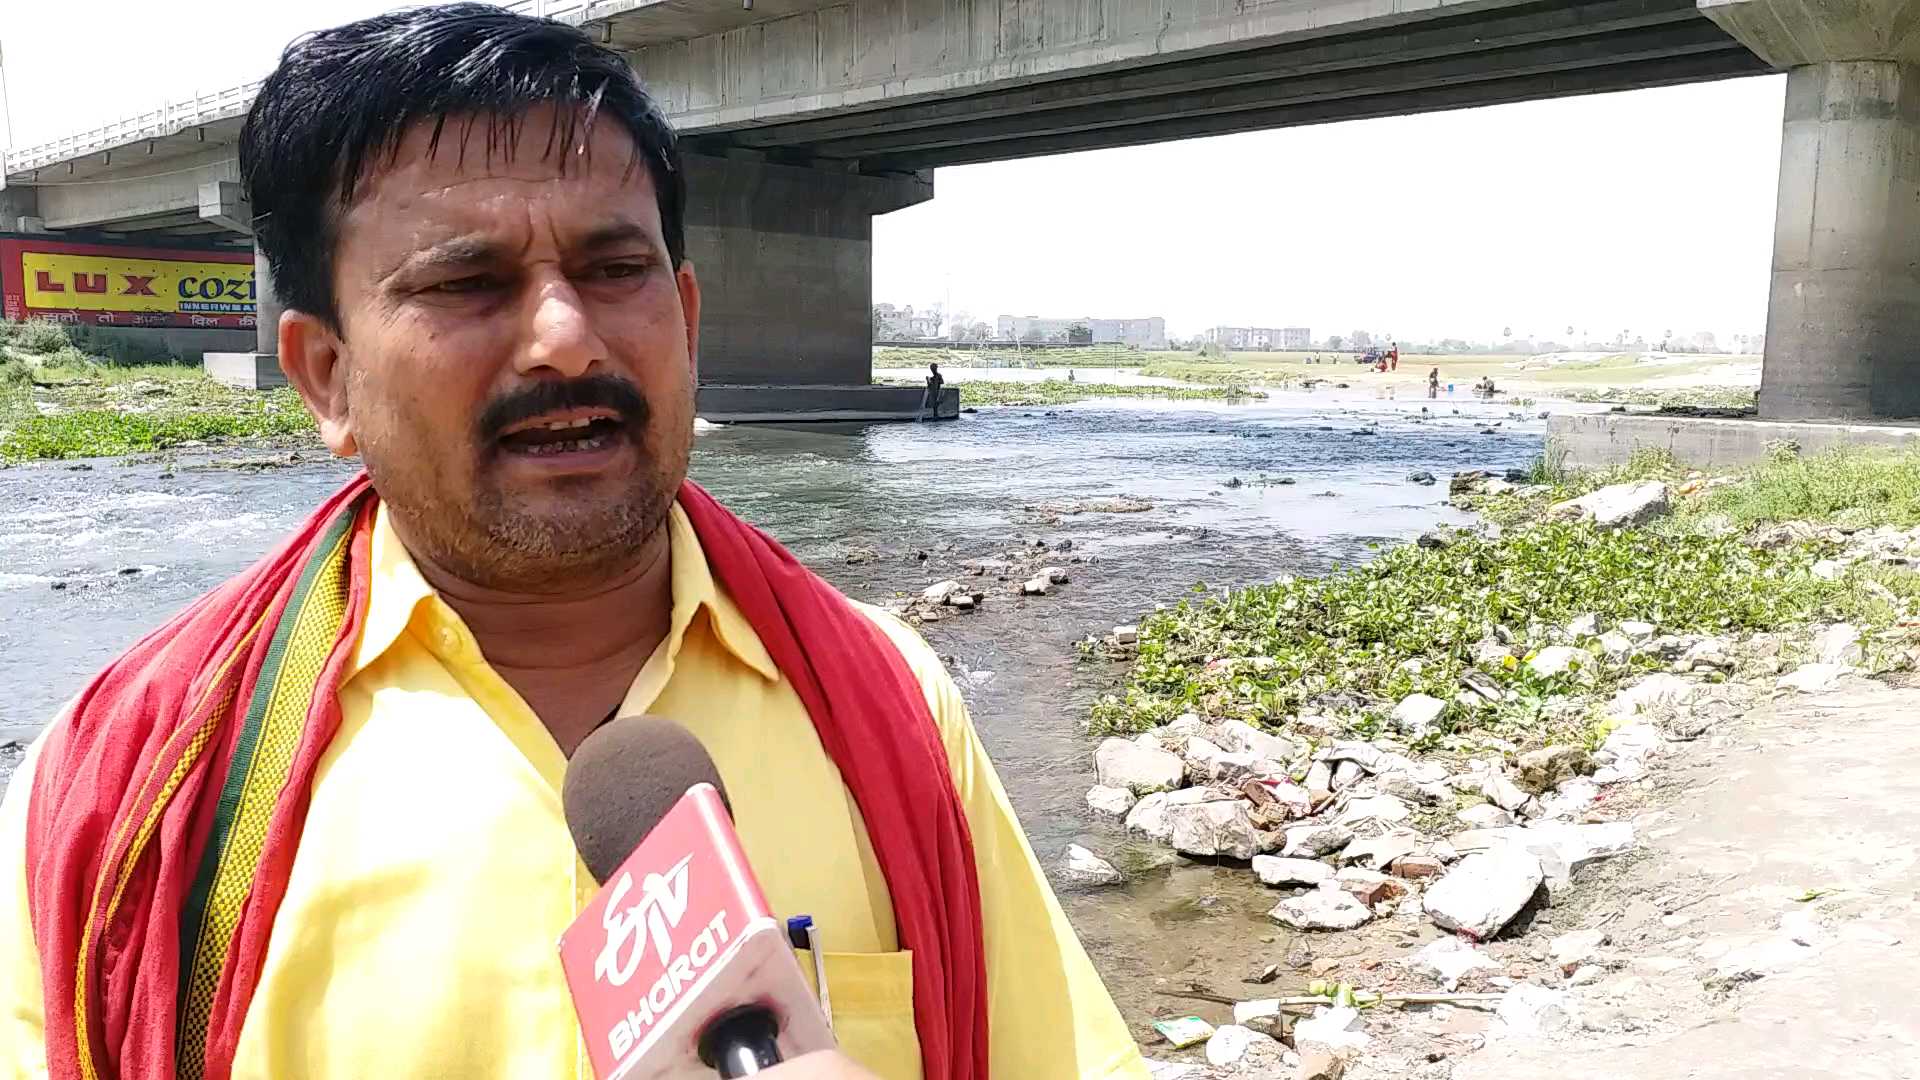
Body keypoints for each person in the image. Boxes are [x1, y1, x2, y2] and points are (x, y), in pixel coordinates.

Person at [0, 8, 1147, 1080]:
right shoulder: (130, 787)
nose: (564, 335)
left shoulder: (893, 710)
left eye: (613, 270)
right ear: (327, 377)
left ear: (687, 320)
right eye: (467, 282)